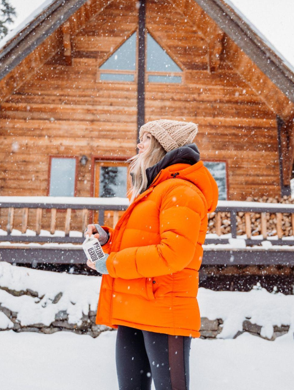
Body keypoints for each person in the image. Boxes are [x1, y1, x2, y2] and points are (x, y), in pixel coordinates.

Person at [85, 119, 219, 390]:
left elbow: (172, 254)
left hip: (165, 312)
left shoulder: (182, 191)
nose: (139, 144)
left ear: (161, 146)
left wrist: (110, 263)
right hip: (135, 307)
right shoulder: (153, 190)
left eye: (145, 138)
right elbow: (144, 239)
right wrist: (109, 239)